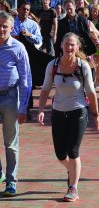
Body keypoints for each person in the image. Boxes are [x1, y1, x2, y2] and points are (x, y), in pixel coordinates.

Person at [37, 32, 99, 202]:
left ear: (78, 47)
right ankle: (73, 170)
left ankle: (73, 187)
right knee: (60, 154)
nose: (69, 47)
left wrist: (96, 115)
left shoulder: (83, 66)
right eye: (67, 44)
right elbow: (45, 89)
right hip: (58, 112)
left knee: (73, 151)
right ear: (61, 46)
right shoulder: (53, 65)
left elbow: (91, 92)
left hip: (78, 112)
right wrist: (41, 109)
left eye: (73, 44)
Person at [0, 11, 32, 196]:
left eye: (5, 26)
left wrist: (23, 107)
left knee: (10, 142)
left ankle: (11, 182)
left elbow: (25, 79)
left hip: (10, 97)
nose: (2, 28)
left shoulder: (18, 48)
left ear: (12, 28)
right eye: (0, 25)